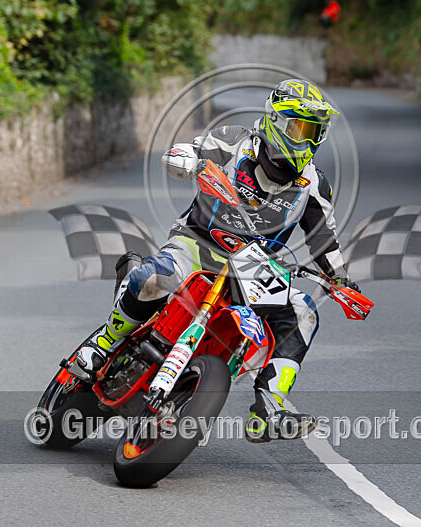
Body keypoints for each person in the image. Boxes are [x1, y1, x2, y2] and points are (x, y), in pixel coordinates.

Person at [68, 79, 360, 442]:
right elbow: (188, 152)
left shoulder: (314, 184)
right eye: (299, 128)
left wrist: (341, 279)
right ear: (275, 120)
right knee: (154, 277)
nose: (306, 139)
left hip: (255, 268)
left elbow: (324, 239)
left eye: (314, 132)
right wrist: (185, 158)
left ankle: (271, 406)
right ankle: (104, 344)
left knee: (303, 310)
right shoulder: (233, 140)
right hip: (199, 243)